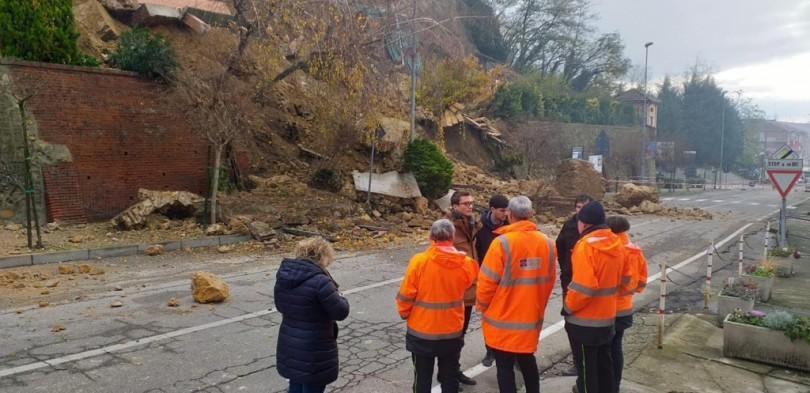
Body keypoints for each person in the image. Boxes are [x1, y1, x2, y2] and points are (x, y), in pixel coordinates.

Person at [476, 196, 557, 393]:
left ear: (510, 215)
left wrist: (482, 307)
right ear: (530, 215)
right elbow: (549, 281)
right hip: (530, 316)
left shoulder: (501, 243)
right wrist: (538, 304)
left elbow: (487, 282)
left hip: (502, 318)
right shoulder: (547, 243)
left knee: (504, 367)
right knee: (527, 360)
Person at [396, 219, 479, 393]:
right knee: (450, 379)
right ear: (452, 237)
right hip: (451, 331)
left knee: (422, 379)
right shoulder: (467, 264)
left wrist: (405, 314)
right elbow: (468, 282)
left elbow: (406, 296)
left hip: (422, 331)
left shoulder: (419, 261)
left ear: (430, 236)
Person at [563, 201, 630, 393]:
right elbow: (627, 281)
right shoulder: (617, 243)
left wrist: (568, 307)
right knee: (604, 366)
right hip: (608, 319)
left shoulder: (584, 247)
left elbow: (583, 287)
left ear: (583, 224)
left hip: (584, 322)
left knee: (586, 373)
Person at [274, 236, 350, 393]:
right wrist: (341, 296)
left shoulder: (284, 276)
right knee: (312, 386)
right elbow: (341, 312)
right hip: (314, 346)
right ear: (322, 256)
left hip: (290, 342)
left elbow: (280, 306)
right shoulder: (320, 281)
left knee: (295, 383)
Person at [605, 216, 648, 393]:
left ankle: (605, 386)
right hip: (625, 308)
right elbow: (642, 281)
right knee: (617, 347)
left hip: (607, 309)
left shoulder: (613, 250)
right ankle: (615, 386)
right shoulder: (635, 251)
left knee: (605, 350)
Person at [445, 191, 482, 387]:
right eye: (466, 203)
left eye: (472, 203)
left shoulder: (471, 226)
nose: (470, 206)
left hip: (468, 292)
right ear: (454, 206)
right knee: (452, 337)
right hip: (454, 293)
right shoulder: (447, 228)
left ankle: (454, 371)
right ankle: (448, 375)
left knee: (460, 336)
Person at [555, 194, 592, 377]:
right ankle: (578, 363)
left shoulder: (598, 228)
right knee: (571, 324)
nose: (580, 211)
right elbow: (559, 248)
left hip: (591, 286)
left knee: (590, 326)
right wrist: (565, 269)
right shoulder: (569, 226)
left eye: (584, 207)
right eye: (578, 207)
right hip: (570, 282)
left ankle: (591, 364)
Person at [473, 194, 510, 367]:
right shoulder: (480, 228)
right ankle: (490, 351)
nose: (505, 214)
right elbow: (476, 253)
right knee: (488, 319)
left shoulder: (510, 226)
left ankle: (512, 353)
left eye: (507, 210)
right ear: (492, 209)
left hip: (508, 280)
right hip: (488, 279)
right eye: (502, 211)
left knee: (509, 318)